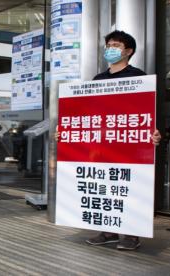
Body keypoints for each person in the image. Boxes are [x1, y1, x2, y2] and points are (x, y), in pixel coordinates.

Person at [64, 30, 160, 250]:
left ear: (128, 51)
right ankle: (108, 230)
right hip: (104, 143)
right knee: (105, 186)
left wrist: (154, 132)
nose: (110, 48)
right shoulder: (98, 79)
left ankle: (131, 234)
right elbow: (89, 114)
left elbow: (146, 111)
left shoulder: (138, 76)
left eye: (116, 45)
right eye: (108, 44)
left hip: (129, 144)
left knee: (130, 186)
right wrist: (68, 131)